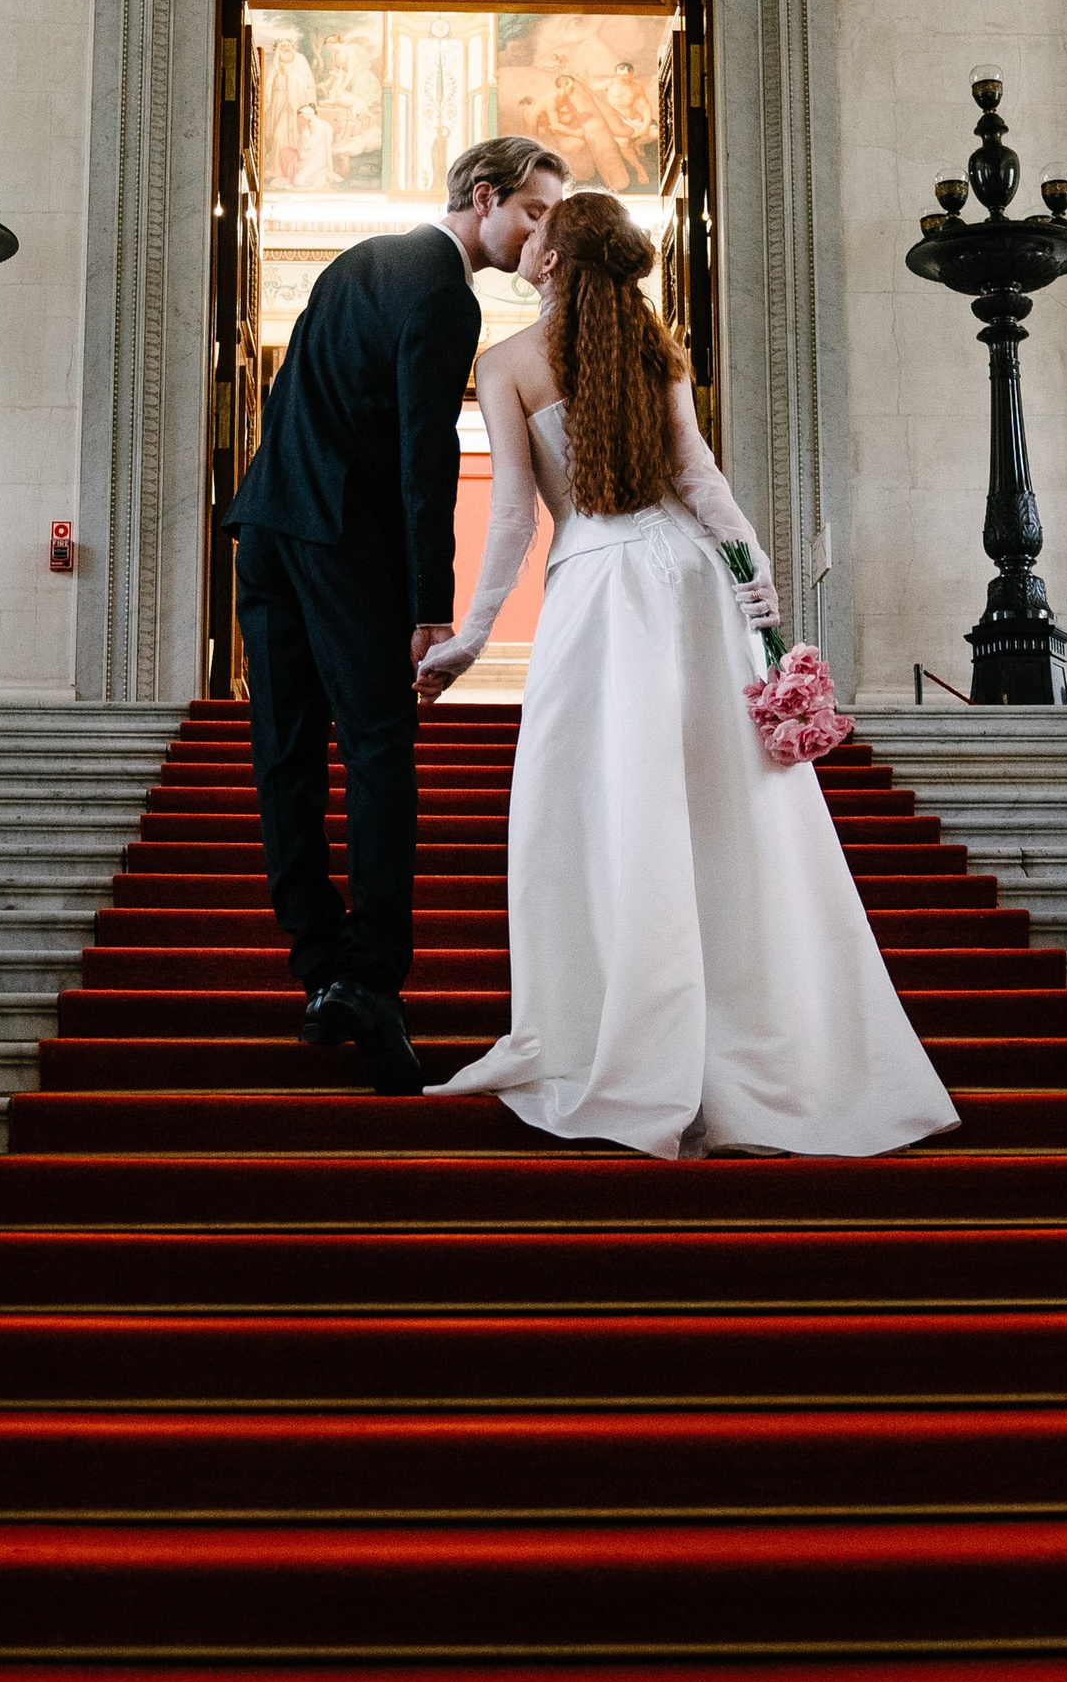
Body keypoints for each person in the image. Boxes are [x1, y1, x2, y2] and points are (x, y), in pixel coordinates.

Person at [416, 191, 957, 1160]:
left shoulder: (504, 364)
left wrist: (470, 636)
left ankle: (620, 1040)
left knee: (597, 816)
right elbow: (703, 485)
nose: (528, 237)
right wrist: (762, 594)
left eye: (540, 229)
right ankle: (747, 1047)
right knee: (720, 816)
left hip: (599, 592)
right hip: (692, 586)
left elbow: (509, 521)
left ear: (548, 262)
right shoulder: (656, 351)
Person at [227, 131, 567, 1093]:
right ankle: (371, 977)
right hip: (343, 540)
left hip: (269, 521)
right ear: (486, 194)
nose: (536, 235)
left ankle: (321, 970)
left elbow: (293, 397)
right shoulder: (443, 292)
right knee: (379, 751)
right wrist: (430, 606)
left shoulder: (358, 262)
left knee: (284, 751)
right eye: (533, 213)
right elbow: (426, 458)